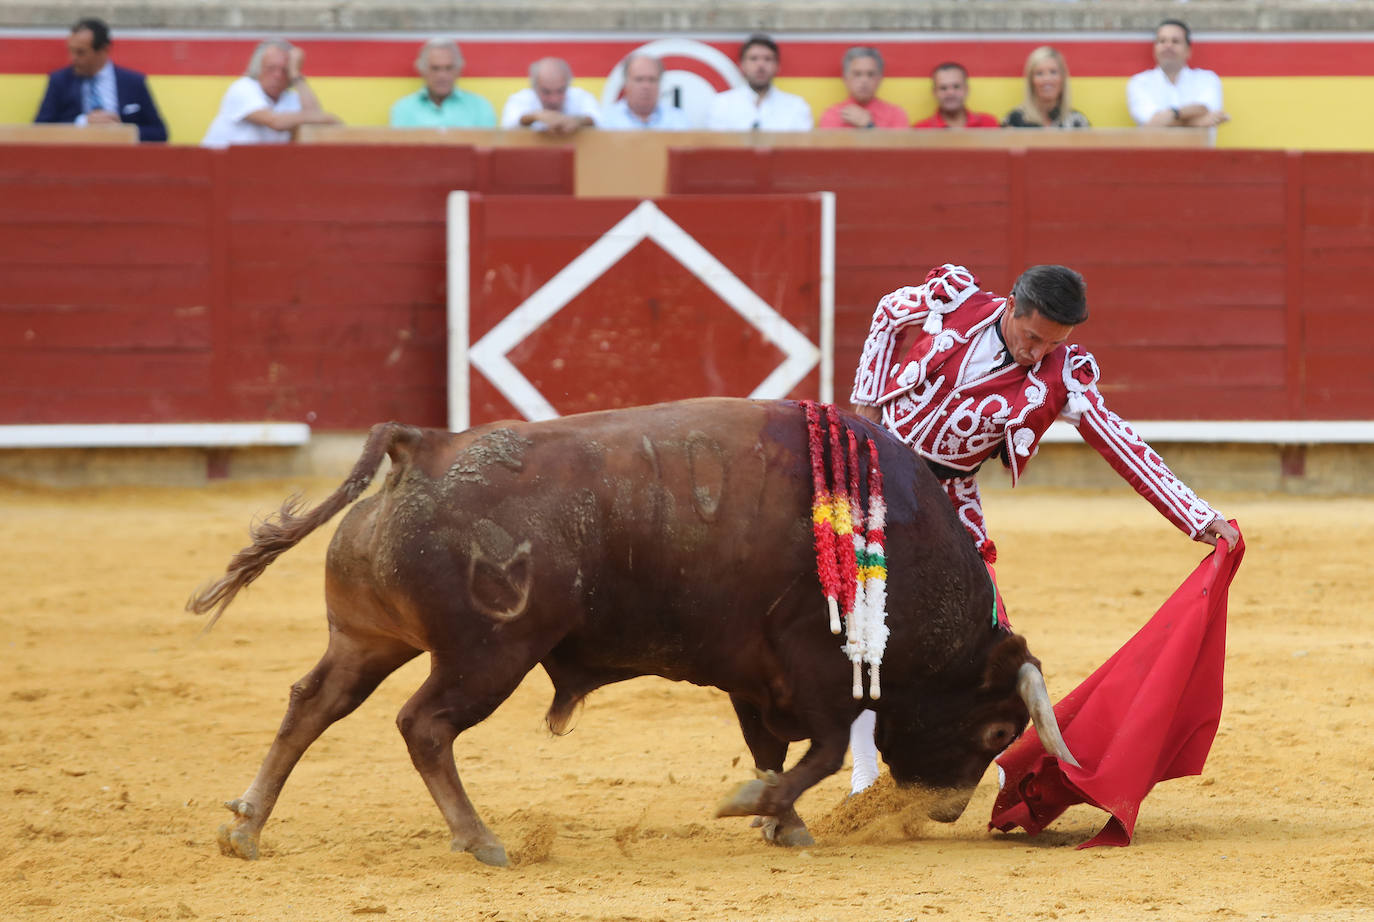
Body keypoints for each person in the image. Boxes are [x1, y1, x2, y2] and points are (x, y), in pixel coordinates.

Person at [846, 263, 1239, 793]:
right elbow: (889, 314)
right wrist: (867, 404)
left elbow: (1119, 443)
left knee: (983, 633)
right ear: (1011, 305)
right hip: (864, 469)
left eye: (1051, 344)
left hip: (945, 497)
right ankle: (861, 767)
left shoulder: (1063, 374)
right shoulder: (955, 301)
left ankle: (922, 760)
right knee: (843, 605)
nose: (1037, 354)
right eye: (1031, 337)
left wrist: (1197, 516)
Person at [32, 17, 167, 142]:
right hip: (74, 160)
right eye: (71, 51)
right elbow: (39, 129)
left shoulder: (133, 82)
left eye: (81, 52)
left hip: (123, 161)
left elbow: (160, 133)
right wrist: (82, 122)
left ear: (104, 50)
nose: (73, 58)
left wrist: (122, 130)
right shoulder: (60, 81)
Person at [201, 40, 341, 148]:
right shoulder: (243, 87)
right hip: (217, 170)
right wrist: (327, 117)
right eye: (271, 68)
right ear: (257, 69)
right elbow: (275, 122)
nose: (277, 76)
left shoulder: (290, 98)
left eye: (284, 70)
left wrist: (296, 75)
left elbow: (314, 121)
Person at [1127, 19, 1229, 129]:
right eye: (1162, 41)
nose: (1168, 46)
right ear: (1154, 48)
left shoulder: (1208, 79)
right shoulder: (1139, 82)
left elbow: (1207, 110)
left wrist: (1170, 116)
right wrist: (1196, 121)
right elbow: (1152, 122)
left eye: (1175, 41)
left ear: (1188, 50)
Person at [706, 34, 813, 132]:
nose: (760, 65)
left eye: (767, 59)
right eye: (753, 59)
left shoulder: (797, 106)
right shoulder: (721, 104)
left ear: (777, 66)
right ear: (742, 65)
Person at [389, 39, 496, 129]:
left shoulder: (480, 107)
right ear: (422, 70)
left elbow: (488, 151)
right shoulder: (404, 108)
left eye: (448, 68)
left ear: (458, 70)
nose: (442, 75)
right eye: (435, 68)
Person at [500, 58, 601, 133]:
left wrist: (577, 121)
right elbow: (509, 126)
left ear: (568, 84)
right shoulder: (520, 99)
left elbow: (598, 119)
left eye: (560, 91)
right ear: (534, 88)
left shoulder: (581, 96)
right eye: (546, 92)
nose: (554, 99)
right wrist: (535, 117)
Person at [817, 47, 908, 129]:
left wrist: (869, 126)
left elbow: (900, 147)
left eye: (870, 74)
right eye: (857, 74)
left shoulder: (895, 115)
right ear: (845, 78)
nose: (864, 81)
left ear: (880, 79)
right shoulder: (832, 116)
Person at [1002, 46, 1090, 129]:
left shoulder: (1077, 122)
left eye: (1053, 72)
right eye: (1039, 73)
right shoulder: (1014, 121)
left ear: (1062, 78)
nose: (1047, 79)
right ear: (1031, 81)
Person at [600, 53, 690, 130]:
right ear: (626, 83)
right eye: (639, 79)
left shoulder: (678, 121)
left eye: (652, 80)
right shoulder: (605, 121)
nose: (646, 86)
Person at [912, 62, 999, 129]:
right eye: (943, 88)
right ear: (934, 92)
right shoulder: (920, 130)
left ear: (967, 89)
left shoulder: (989, 125)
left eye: (956, 86)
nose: (950, 93)